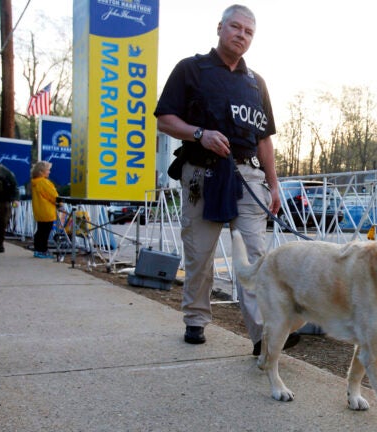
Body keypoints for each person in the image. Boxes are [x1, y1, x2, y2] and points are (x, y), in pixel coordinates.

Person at [154, 4, 299, 355]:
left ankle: (264, 335)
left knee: (254, 256)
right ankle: (196, 318)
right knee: (200, 254)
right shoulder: (191, 69)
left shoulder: (256, 83)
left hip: (248, 175)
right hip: (202, 172)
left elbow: (265, 138)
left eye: (249, 32)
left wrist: (274, 182)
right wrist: (198, 133)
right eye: (236, 27)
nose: (241, 35)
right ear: (220, 28)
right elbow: (164, 120)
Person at [30, 161, 58, 259]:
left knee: (40, 231)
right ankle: (42, 250)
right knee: (45, 232)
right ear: (42, 171)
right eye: (48, 170)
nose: (49, 172)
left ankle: (38, 250)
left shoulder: (34, 182)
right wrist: (60, 203)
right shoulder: (44, 182)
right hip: (47, 210)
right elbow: (53, 196)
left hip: (39, 210)